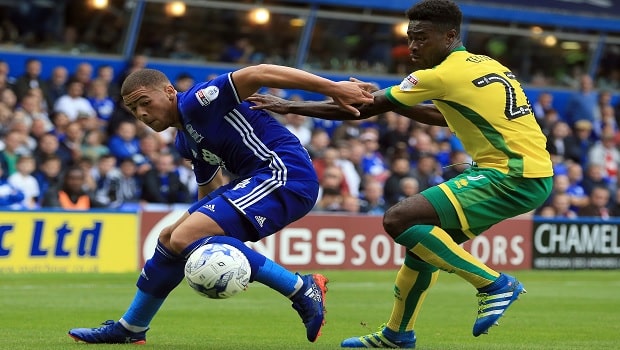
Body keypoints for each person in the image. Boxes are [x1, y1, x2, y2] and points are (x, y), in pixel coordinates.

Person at [248, 0, 553, 347]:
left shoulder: (439, 75)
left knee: (398, 219)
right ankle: (397, 335)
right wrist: (397, 102)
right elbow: (444, 115)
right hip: (529, 173)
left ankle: (493, 284)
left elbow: (361, 108)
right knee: (422, 248)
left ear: (450, 36)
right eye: (410, 37)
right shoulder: (483, 65)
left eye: (422, 38)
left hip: (510, 174)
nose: (412, 46)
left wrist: (289, 106)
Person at [67, 64, 373, 344]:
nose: (142, 114)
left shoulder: (198, 101)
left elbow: (261, 72)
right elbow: (209, 190)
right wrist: (205, 240)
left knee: (186, 236)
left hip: (285, 173)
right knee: (170, 239)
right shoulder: (185, 141)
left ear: (169, 92)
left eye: (145, 102)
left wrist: (334, 88)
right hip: (259, 178)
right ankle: (131, 328)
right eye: (134, 109)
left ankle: (300, 288)